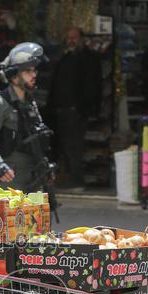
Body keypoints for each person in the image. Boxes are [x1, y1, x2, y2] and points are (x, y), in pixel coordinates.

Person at [0, 42, 56, 213]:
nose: (34, 74)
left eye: (34, 70)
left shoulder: (30, 102)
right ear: (14, 76)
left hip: (30, 179)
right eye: (28, 71)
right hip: (6, 181)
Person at [47, 28, 100, 190]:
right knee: (65, 145)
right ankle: (70, 177)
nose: (71, 41)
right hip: (62, 109)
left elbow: (92, 85)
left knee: (74, 146)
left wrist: (83, 107)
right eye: (69, 37)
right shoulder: (66, 57)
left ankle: (77, 180)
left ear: (82, 39)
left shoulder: (88, 59)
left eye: (75, 38)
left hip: (76, 110)